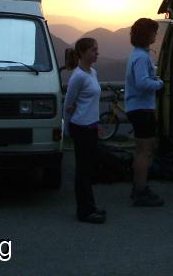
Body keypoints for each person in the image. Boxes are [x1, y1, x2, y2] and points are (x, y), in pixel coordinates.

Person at [63, 37, 105, 224]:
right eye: (93, 50)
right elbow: (68, 103)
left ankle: (90, 206)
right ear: (81, 53)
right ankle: (84, 211)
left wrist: (96, 124)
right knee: (83, 170)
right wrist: (67, 129)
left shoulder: (92, 73)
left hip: (91, 127)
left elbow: (90, 103)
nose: (97, 53)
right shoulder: (78, 76)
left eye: (96, 49)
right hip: (80, 128)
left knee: (88, 169)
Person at [125, 17, 165, 207]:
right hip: (142, 109)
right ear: (146, 34)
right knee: (144, 152)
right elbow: (142, 83)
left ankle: (138, 186)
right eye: (154, 32)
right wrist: (159, 84)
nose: (156, 35)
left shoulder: (137, 54)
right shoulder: (141, 57)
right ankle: (141, 191)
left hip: (136, 108)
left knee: (140, 150)